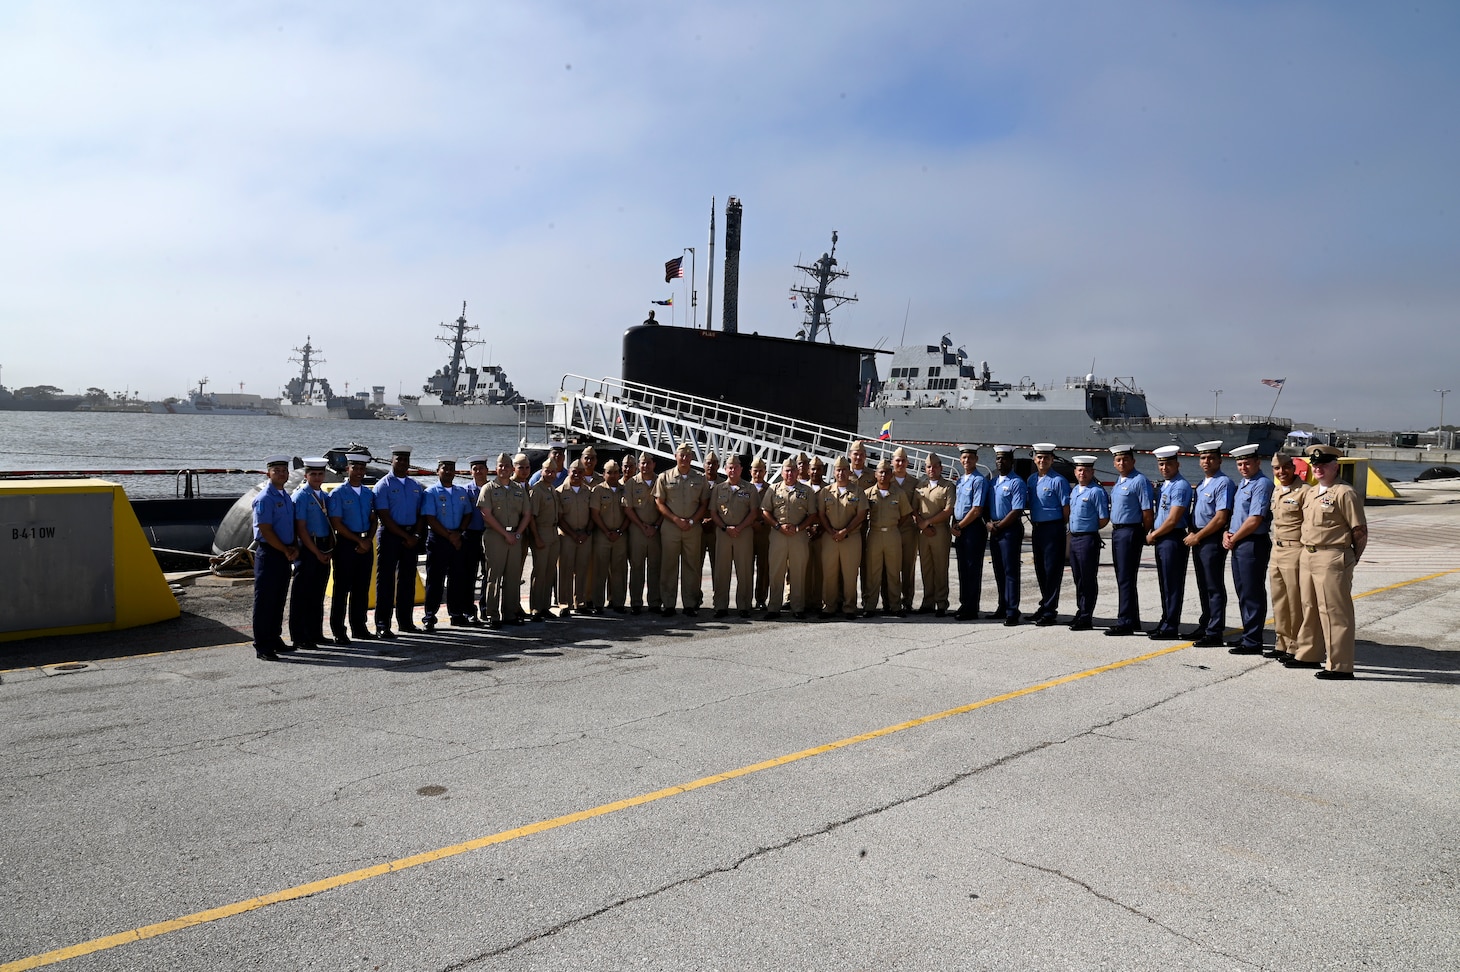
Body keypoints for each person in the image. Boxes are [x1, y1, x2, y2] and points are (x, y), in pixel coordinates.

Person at [1289, 445, 1368, 680]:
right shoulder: (1312, 492)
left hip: (1332, 555)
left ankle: (1340, 665)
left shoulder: (1344, 493)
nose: (1318, 468)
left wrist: (1352, 558)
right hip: (1309, 554)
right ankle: (1309, 654)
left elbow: (1360, 530)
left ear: (1336, 466)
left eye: (1323, 464)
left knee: (1334, 612)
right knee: (1310, 607)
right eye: (1315, 465)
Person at [1224, 443, 1274, 654]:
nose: (1243, 467)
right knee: (1243, 591)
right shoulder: (1244, 484)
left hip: (1252, 543)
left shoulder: (1261, 484)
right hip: (1239, 542)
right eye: (1240, 464)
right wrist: (1227, 532)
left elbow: (1254, 519)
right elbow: (1238, 516)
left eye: (1247, 463)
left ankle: (1253, 641)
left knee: (1252, 593)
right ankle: (1248, 635)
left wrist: (1233, 537)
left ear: (1257, 463)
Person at [1184, 441, 1235, 646]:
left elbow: (1221, 517)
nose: (1206, 461)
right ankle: (1205, 624)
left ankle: (1215, 631)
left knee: (1213, 586)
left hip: (1211, 540)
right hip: (1199, 539)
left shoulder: (1223, 483)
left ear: (1220, 460)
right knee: (1203, 585)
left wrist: (1198, 536)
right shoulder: (1203, 483)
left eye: (1211, 458)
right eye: (1203, 458)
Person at [373, 446, 426, 638]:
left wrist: (417, 536)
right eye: (399, 459)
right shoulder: (383, 485)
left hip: (411, 535)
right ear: (392, 460)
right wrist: (406, 537)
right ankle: (382, 624)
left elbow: (422, 514)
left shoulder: (415, 486)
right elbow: (384, 516)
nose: (402, 462)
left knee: (407, 581)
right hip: (390, 535)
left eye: (405, 459)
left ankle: (405, 622)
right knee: (386, 581)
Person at [326, 453, 377, 645]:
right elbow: (337, 523)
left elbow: (374, 520)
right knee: (342, 589)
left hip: (366, 542)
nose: (359, 472)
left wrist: (369, 540)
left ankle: (359, 627)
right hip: (347, 545)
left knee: (361, 588)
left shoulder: (368, 494)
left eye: (362, 469)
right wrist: (359, 541)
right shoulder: (338, 494)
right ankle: (339, 630)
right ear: (348, 469)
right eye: (355, 468)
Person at [251, 455, 298, 660]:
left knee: (278, 599)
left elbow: (290, 525)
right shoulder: (265, 498)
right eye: (277, 470)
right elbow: (266, 530)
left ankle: (274, 638)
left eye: (284, 470)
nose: (282, 474)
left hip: (284, 552)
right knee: (265, 601)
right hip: (270, 553)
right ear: (268, 473)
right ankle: (263, 645)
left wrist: (293, 546)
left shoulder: (285, 496)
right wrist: (286, 550)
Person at [655, 443, 710, 616]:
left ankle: (690, 604)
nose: (684, 458)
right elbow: (659, 502)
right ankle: (669, 604)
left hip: (692, 529)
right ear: (675, 456)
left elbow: (704, 504)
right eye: (681, 455)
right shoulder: (665, 477)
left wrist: (693, 521)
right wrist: (675, 519)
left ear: (692, 457)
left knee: (692, 566)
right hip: (671, 527)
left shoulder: (700, 479)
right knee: (669, 566)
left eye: (688, 455)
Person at [761, 457, 818, 619]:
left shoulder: (807, 491)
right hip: (778, 535)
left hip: (798, 536)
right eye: (787, 470)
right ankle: (773, 607)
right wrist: (778, 526)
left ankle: (798, 607)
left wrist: (799, 527)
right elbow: (765, 511)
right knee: (776, 572)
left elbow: (812, 514)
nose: (790, 473)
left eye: (793, 470)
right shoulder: (773, 489)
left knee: (798, 572)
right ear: (782, 472)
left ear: (798, 471)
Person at [1104, 444, 1153, 636]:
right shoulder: (1120, 481)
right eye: (1118, 460)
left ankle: (1125, 621)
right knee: (1123, 577)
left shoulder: (1139, 481)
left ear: (1133, 461)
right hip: (1117, 532)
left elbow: (1147, 512)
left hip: (1130, 532)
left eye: (1125, 459)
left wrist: (1142, 534)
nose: (1121, 463)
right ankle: (1133, 619)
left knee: (1125, 578)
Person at [422, 458, 474, 630]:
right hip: (439, 539)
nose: (449, 471)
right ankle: (430, 616)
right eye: (445, 468)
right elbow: (430, 518)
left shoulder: (461, 492)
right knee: (435, 580)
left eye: (452, 468)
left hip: (458, 538)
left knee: (457, 578)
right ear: (438, 471)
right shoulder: (430, 492)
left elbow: (468, 514)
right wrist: (449, 536)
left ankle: (456, 614)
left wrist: (459, 533)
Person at [480, 453, 531, 626]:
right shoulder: (488, 488)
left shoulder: (518, 489)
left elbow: (527, 514)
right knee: (494, 576)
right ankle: (493, 614)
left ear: (511, 469)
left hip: (515, 536)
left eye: (507, 466)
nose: (503, 469)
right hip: (495, 536)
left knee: (513, 577)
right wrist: (505, 534)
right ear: (496, 468)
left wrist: (517, 534)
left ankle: (510, 613)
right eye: (500, 466)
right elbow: (486, 514)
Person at [1266, 453, 1309, 662]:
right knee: (1279, 600)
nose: (1281, 472)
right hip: (1277, 549)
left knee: (1295, 600)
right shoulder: (1276, 491)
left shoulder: (1305, 492)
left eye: (1285, 468)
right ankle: (1281, 643)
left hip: (1295, 550)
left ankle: (1295, 645)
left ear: (1293, 468)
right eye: (1276, 469)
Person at [1146, 445, 1192, 639]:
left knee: (1172, 584)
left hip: (1172, 537)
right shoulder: (1166, 485)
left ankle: (1171, 625)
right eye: (1161, 464)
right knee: (1165, 583)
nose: (1164, 468)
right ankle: (1165, 620)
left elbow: (1173, 519)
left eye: (1168, 464)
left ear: (1177, 464)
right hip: (1163, 538)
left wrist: (1153, 534)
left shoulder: (1180, 485)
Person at [288, 457, 333, 649]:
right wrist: (316, 552)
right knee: (302, 594)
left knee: (317, 594)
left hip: (323, 547)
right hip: (308, 549)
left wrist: (328, 550)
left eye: (320, 474)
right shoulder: (301, 496)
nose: (317, 477)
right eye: (313, 474)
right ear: (305, 475)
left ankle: (315, 633)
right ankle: (299, 636)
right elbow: (301, 529)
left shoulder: (324, 496)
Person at [1026, 443, 1071, 626]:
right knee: (1041, 570)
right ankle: (1044, 604)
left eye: (1046, 458)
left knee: (1052, 570)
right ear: (1035, 460)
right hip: (1037, 528)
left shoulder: (1058, 481)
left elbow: (1066, 509)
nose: (1042, 461)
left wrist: (1059, 527)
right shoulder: (1031, 480)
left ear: (1052, 460)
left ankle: (1050, 611)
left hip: (1053, 528)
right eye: (1039, 457)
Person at [818, 456, 867, 620]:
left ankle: (849, 607)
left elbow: (861, 514)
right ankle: (829, 606)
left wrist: (845, 530)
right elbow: (821, 514)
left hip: (851, 537)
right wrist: (831, 531)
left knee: (850, 573)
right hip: (830, 537)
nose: (841, 473)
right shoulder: (826, 491)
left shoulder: (858, 491)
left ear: (849, 471)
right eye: (838, 470)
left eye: (844, 470)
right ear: (834, 473)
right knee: (829, 572)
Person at [710, 455, 758, 618]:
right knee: (721, 571)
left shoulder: (750, 489)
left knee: (744, 570)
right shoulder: (718, 488)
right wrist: (725, 527)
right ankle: (720, 606)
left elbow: (754, 512)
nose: (733, 470)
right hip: (723, 533)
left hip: (743, 533)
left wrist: (739, 527)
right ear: (725, 469)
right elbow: (713, 512)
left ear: (741, 469)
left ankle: (744, 605)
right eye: (730, 467)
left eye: (736, 467)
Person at [1066, 456, 1110, 631]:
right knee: (1078, 578)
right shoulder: (1076, 490)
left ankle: (1086, 616)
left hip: (1087, 539)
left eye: (1086, 470)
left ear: (1092, 472)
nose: (1082, 473)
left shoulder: (1097, 492)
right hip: (1074, 538)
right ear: (1075, 472)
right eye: (1079, 470)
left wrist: (1088, 529)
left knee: (1087, 578)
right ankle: (1081, 610)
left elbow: (1104, 518)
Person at [864, 459, 912, 617]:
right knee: (873, 572)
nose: (883, 475)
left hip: (892, 534)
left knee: (893, 571)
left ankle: (895, 606)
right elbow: (863, 514)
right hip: (875, 534)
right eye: (881, 472)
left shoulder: (899, 493)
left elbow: (905, 514)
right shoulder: (868, 493)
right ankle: (870, 606)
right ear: (875, 474)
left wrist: (894, 526)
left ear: (891, 475)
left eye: (886, 472)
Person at [987, 446, 1027, 626]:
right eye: (998, 459)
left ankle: (1012, 610)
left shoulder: (1016, 482)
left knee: (1010, 571)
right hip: (994, 529)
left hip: (1009, 530)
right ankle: (1002, 606)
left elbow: (1017, 510)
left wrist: (999, 526)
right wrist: (988, 523)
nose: (1000, 462)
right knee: (998, 570)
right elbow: (986, 507)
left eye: (1004, 459)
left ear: (1011, 461)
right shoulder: (992, 482)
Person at [950, 444, 988, 621]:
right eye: (964, 458)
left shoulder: (978, 480)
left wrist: (959, 526)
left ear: (976, 460)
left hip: (972, 529)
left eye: (970, 458)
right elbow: (957, 505)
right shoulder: (961, 480)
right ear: (960, 460)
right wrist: (954, 525)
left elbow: (977, 509)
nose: (967, 461)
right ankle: (964, 603)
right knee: (963, 569)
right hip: (961, 528)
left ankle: (972, 607)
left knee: (972, 569)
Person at [914, 454, 955, 616]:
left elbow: (948, 510)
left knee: (940, 567)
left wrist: (927, 522)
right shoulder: (920, 486)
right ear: (925, 469)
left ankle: (941, 603)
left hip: (940, 531)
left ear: (941, 468)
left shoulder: (948, 486)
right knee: (926, 567)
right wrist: (922, 525)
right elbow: (913, 509)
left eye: (935, 466)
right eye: (929, 467)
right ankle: (928, 602)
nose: (932, 469)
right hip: (924, 533)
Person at [624, 451, 662, 615]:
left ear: (653, 464)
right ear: (638, 465)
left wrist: (655, 526)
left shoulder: (661, 481)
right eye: (642, 463)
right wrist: (642, 526)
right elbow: (628, 508)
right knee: (637, 567)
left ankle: (654, 602)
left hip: (656, 531)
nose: (645, 466)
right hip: (637, 530)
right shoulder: (632, 483)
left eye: (648, 463)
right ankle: (636, 603)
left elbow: (665, 506)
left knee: (655, 567)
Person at [556, 460, 595, 615]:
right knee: (565, 570)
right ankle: (564, 603)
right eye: (574, 472)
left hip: (584, 536)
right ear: (569, 472)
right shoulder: (560, 492)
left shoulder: (588, 492)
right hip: (566, 536)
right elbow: (559, 518)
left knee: (582, 569)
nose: (577, 475)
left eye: (580, 472)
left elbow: (594, 515)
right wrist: (573, 534)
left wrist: (586, 533)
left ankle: (580, 602)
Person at [590, 460, 630, 612]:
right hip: (602, 535)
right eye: (609, 473)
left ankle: (618, 602)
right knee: (600, 570)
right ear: (603, 474)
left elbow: (628, 512)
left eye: (615, 472)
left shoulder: (625, 490)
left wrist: (619, 531)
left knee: (619, 570)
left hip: (620, 535)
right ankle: (598, 603)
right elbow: (595, 514)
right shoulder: (598, 490)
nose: (613, 476)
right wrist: (607, 531)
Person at [527, 456, 561, 620]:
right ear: (542, 471)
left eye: (553, 472)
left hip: (554, 534)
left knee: (550, 572)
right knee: (539, 572)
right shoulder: (537, 490)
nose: (551, 474)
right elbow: (532, 517)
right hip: (541, 532)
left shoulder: (552, 489)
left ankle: (545, 606)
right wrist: (537, 538)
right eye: (548, 471)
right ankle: (535, 608)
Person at [889, 448, 923, 613]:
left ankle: (907, 599)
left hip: (909, 529)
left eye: (903, 461)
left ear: (908, 463)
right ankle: (891, 599)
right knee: (891, 566)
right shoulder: (886, 481)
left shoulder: (914, 483)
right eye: (897, 460)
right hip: (891, 529)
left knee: (908, 566)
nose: (900, 464)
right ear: (892, 462)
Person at [462, 456, 492, 622]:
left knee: (488, 574)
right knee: (470, 575)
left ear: (487, 471)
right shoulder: (465, 491)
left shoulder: (494, 489)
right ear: (470, 472)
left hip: (489, 534)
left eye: (481, 468)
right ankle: (469, 610)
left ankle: (485, 608)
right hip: (471, 535)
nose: (478, 472)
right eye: (475, 469)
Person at [748, 457, 773, 610]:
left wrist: (762, 523)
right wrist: (752, 523)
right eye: (755, 471)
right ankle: (745, 599)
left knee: (764, 568)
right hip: (748, 532)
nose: (758, 474)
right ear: (750, 471)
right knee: (746, 568)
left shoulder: (771, 489)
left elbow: (774, 510)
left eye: (761, 471)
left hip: (765, 532)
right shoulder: (744, 488)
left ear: (765, 472)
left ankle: (761, 599)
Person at [803, 456, 827, 615]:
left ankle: (818, 602)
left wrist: (820, 529)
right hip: (804, 533)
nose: (815, 472)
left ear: (823, 471)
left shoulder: (829, 489)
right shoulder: (802, 489)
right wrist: (807, 527)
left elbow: (831, 513)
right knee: (803, 568)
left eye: (818, 469)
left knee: (820, 569)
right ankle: (804, 601)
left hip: (822, 533)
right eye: (812, 468)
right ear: (807, 470)